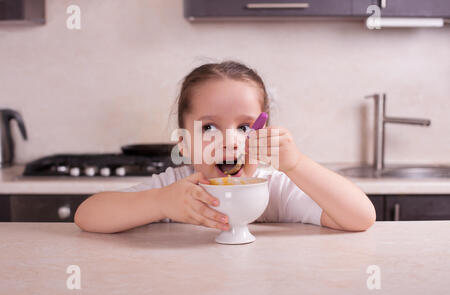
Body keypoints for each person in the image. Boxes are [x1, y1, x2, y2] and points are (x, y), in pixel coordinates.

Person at [74, 60, 375, 234]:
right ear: (185, 144)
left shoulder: (276, 189)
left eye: (245, 128)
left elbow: (361, 217)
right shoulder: (177, 188)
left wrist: (296, 165)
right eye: (208, 127)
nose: (230, 141)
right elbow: (87, 215)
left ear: (264, 136)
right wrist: (160, 203)